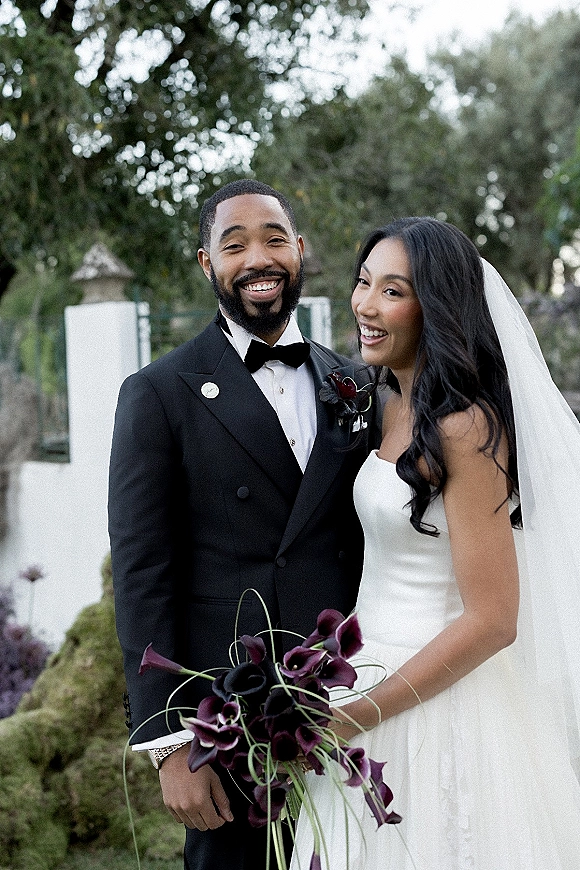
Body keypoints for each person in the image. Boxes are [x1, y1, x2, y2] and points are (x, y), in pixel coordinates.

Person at [290, 217, 580, 870]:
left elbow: (493, 620)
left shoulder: (466, 427)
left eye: (393, 291)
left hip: (437, 700)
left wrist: (359, 713)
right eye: (364, 283)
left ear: (437, 307)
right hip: (355, 678)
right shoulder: (386, 403)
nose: (365, 304)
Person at [108, 179, 378, 870]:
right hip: (229, 720)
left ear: (301, 252)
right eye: (235, 245)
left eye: (274, 239)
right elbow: (143, 575)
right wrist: (170, 742)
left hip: (357, 701)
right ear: (207, 264)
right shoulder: (158, 393)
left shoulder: (354, 383)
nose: (258, 258)